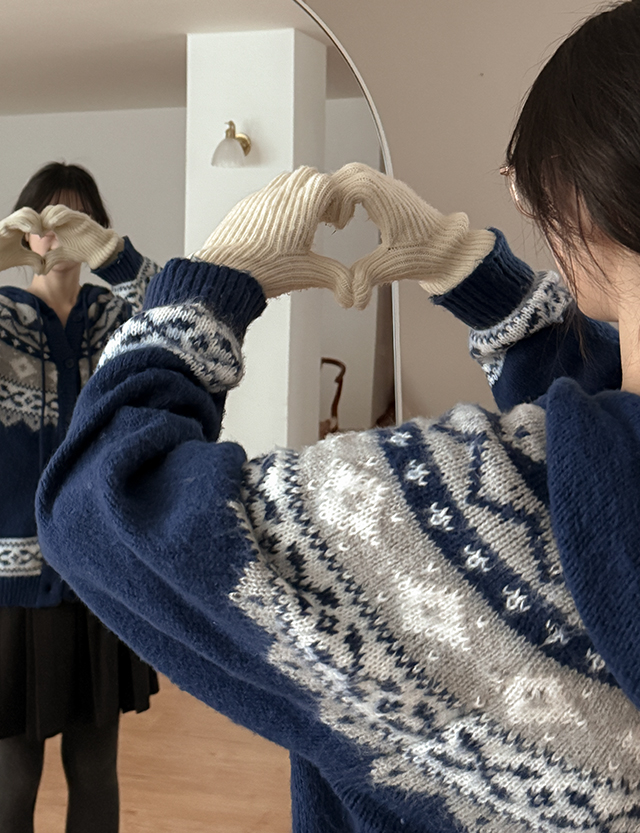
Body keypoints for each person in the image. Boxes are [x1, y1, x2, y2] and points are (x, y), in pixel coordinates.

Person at [32, 1, 640, 830]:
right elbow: (601, 444)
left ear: (580, 195)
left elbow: (102, 505)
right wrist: (478, 278)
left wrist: (206, 286)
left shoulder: (486, 512)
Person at [0, 162, 161, 833]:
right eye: (47, 219)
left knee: (95, 768)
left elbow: (183, 309)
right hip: (11, 586)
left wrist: (114, 256)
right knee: (12, 775)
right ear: (24, 232)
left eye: (78, 219)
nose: (60, 233)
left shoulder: (116, 319)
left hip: (99, 574)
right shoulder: (1, 318)